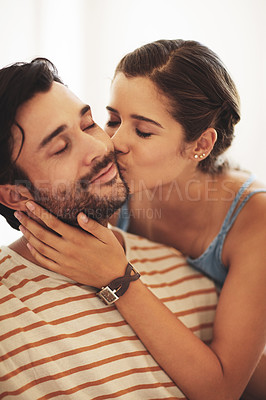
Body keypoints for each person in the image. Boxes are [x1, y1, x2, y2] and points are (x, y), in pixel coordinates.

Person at [17, 40, 266, 400]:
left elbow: (221, 390)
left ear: (201, 144)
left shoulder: (254, 222)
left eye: (144, 131)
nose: (113, 143)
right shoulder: (116, 186)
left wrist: (118, 278)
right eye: (113, 120)